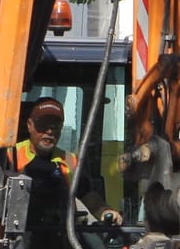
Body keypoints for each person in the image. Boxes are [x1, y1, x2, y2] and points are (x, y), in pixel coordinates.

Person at [13, 96, 121, 224]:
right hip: (20, 236)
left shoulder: (70, 160)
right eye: (43, 125)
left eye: (55, 126)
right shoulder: (11, 155)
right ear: (29, 125)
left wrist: (104, 211)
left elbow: (87, 194)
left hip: (59, 235)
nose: (49, 131)